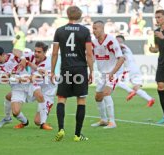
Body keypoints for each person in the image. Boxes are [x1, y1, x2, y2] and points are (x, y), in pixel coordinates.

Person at [51, 6, 93, 142]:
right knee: (81, 100)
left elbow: (54, 53)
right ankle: (77, 134)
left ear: (67, 15)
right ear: (80, 16)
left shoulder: (59, 31)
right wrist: (91, 71)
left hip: (66, 68)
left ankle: (61, 129)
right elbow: (89, 53)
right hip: (80, 69)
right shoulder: (85, 31)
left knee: (61, 98)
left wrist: (52, 71)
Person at [90, 20, 124, 129]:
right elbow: (92, 59)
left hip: (114, 71)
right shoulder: (94, 43)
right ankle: (103, 120)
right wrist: (90, 72)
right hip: (103, 73)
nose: (94, 31)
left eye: (96, 28)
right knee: (98, 97)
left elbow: (121, 58)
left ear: (102, 28)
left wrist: (113, 73)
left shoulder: (111, 41)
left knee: (106, 93)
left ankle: (112, 122)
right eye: (93, 29)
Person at [24, 41, 57, 130]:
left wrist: (28, 64)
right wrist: (23, 59)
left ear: (45, 53)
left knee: (37, 121)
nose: (36, 54)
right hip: (36, 85)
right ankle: (20, 119)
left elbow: (33, 77)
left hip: (48, 91)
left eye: (39, 52)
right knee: (10, 96)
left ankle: (43, 118)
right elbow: (16, 52)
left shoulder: (48, 63)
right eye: (35, 51)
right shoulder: (31, 55)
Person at [115, 35, 155, 107]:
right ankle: (150, 99)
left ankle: (130, 91)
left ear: (122, 41)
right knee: (136, 88)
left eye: (119, 40)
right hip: (134, 69)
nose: (118, 41)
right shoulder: (120, 50)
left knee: (117, 80)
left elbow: (119, 46)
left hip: (129, 70)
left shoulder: (123, 47)